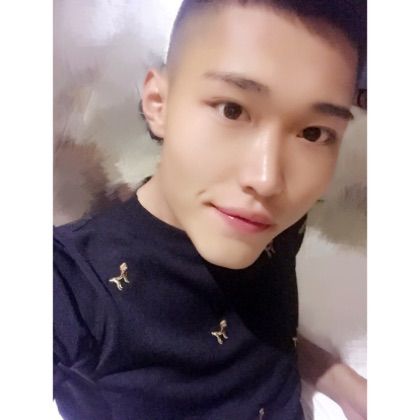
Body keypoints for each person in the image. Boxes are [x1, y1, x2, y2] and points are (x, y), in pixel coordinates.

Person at [53, 1, 367, 419]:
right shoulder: (71, 279)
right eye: (232, 109)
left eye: (313, 133)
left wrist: (338, 379)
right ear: (158, 103)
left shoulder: (275, 225)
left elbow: (261, 325)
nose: (268, 180)